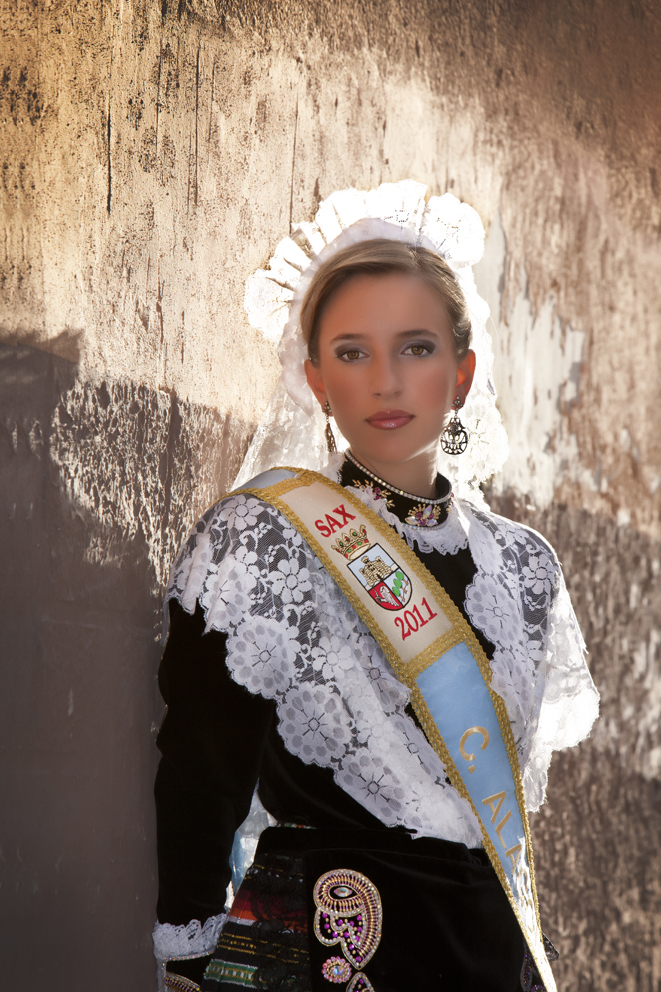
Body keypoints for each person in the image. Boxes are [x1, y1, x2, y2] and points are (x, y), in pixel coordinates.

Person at [152, 182, 599, 992]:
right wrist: (189, 954)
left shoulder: (524, 567)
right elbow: (199, 777)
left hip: (482, 948)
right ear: (317, 379)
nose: (385, 380)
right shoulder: (260, 539)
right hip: (316, 940)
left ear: (461, 374)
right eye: (353, 352)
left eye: (416, 348)